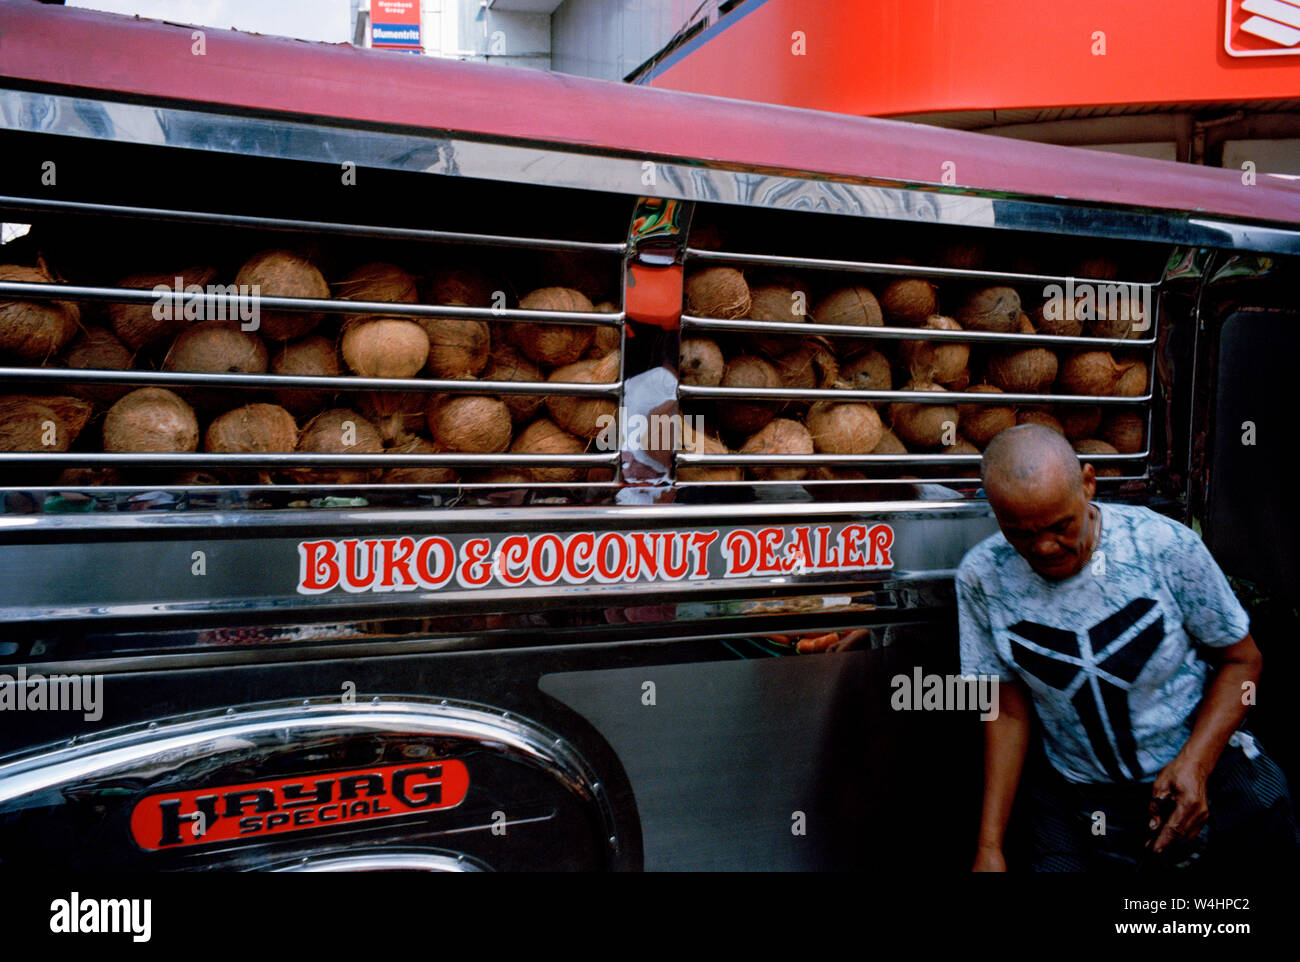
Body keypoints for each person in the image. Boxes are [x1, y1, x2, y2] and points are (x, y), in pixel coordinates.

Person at [957, 424, 1298, 871]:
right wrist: (990, 846)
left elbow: (1242, 661)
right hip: (1085, 803)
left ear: (1088, 483)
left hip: (1213, 774)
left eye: (1061, 526)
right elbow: (1006, 710)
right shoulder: (983, 577)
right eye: (1019, 533)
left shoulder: (1163, 546)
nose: (1044, 547)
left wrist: (1195, 763)